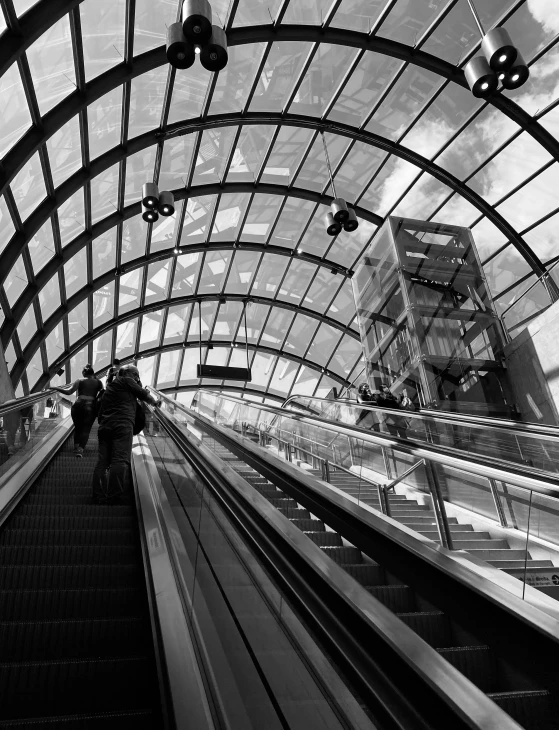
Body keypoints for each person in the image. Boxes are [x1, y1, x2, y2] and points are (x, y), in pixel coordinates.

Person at [91, 364, 160, 505]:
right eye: (136, 374)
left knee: (102, 462)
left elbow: (100, 411)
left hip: (104, 427)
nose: (137, 378)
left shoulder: (109, 388)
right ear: (127, 373)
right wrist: (155, 402)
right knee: (120, 460)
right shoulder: (127, 381)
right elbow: (143, 394)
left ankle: (98, 496)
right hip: (122, 425)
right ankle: (113, 497)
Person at [52, 364, 104, 457]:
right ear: (93, 373)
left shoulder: (79, 381)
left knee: (78, 427)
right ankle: (80, 450)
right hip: (90, 406)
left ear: (84, 373)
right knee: (86, 429)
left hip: (78, 405)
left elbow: (69, 392)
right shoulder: (99, 382)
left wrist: (56, 388)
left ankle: (75, 447)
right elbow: (102, 395)